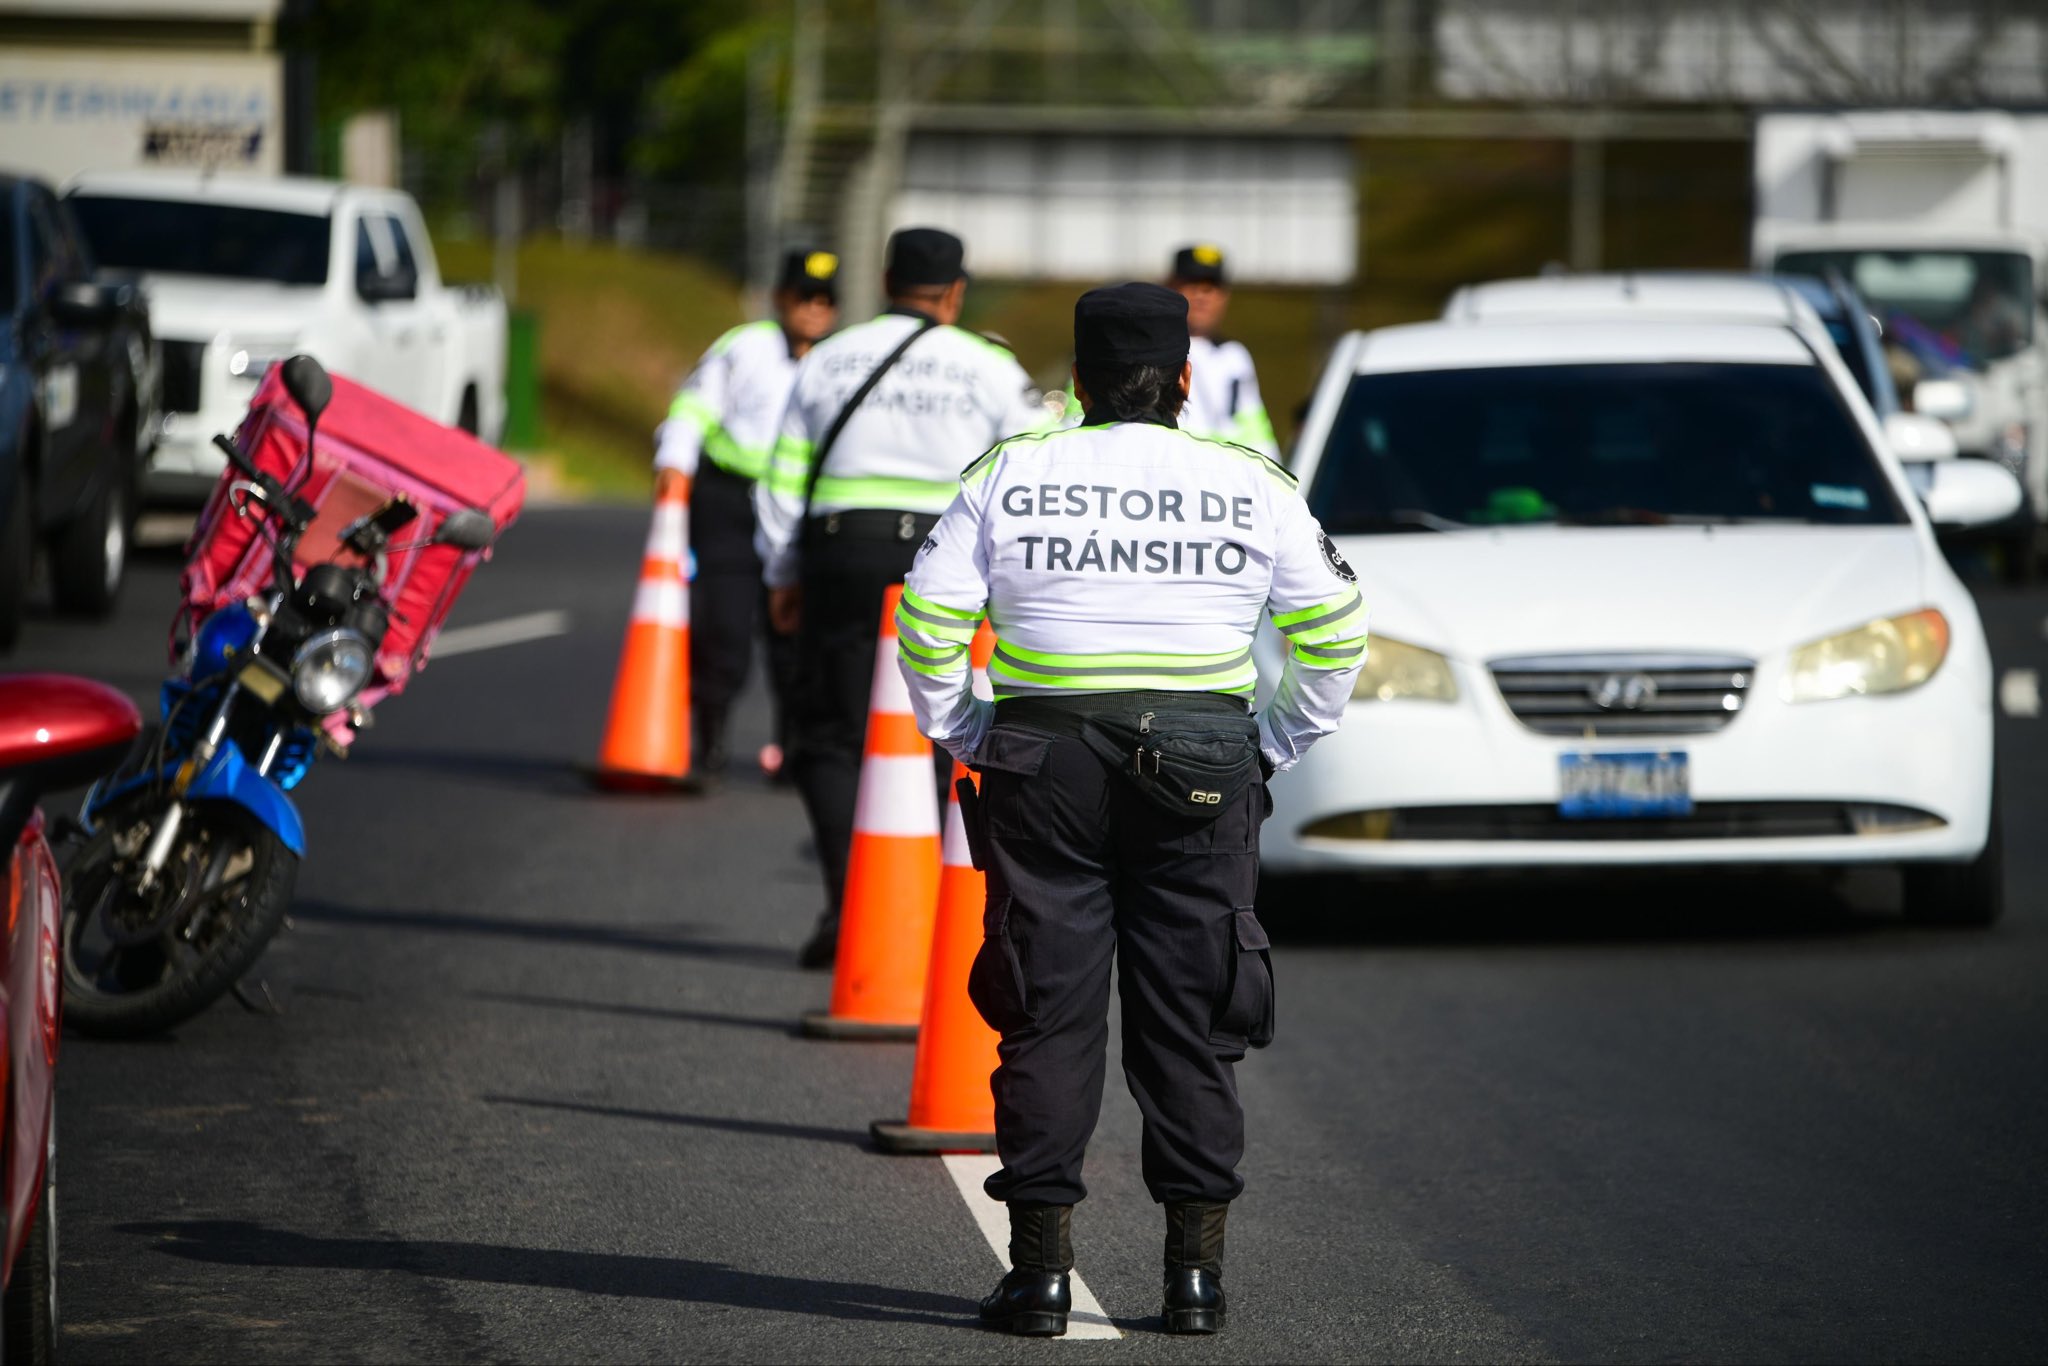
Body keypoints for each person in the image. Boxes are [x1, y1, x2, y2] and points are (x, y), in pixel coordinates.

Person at [896, 282, 1366, 1336]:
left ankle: (1039, 1278)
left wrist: (968, 730)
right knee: (1193, 1020)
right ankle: (1193, 1281)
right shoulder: (1248, 482)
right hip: (1204, 770)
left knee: (1044, 1012)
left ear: (1074, 382)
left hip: (1041, 766)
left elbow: (926, 620)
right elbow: (1334, 636)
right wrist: (1270, 744)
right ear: (1186, 381)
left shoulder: (1012, 471)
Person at [757, 226, 1049, 969]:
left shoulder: (828, 356)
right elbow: (1032, 475)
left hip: (840, 548)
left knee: (829, 734)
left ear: (885, 278)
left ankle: (849, 905)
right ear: (955, 291)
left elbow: (784, 475)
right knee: (944, 728)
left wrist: (783, 573)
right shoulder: (989, 367)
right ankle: (924, 915)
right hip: (943, 556)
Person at [654, 248, 839, 777]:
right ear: (781, 297)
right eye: (804, 297)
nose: (814, 310)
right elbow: (694, 408)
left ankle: (792, 750)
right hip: (731, 501)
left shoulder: (841, 362)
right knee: (723, 628)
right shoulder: (744, 347)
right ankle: (709, 743)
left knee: (796, 638)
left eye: (826, 301)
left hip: (802, 508)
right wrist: (674, 463)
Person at [1168, 243, 1282, 460]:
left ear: (1224, 296)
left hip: (1223, 482)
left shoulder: (1235, 358)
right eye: (1192, 285)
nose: (1202, 296)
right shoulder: (1147, 350)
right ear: (1171, 287)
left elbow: (1258, 437)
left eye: (1210, 287)